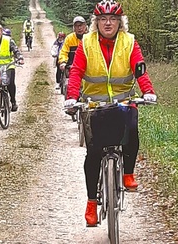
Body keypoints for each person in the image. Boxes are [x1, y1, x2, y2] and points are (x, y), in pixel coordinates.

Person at [64, 0, 157, 227]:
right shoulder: (87, 42)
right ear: (96, 22)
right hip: (94, 104)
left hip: (123, 100)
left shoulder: (129, 42)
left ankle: (128, 174)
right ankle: (91, 204)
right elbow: (76, 71)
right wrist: (71, 97)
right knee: (94, 153)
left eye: (113, 19)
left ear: (119, 22)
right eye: (103, 19)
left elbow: (139, 68)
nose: (108, 23)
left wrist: (148, 91)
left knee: (132, 129)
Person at [0, 23, 24, 114]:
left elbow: (16, 50)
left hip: (8, 66)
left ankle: (13, 102)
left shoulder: (8, 40)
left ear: (2, 32)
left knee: (10, 83)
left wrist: (20, 58)